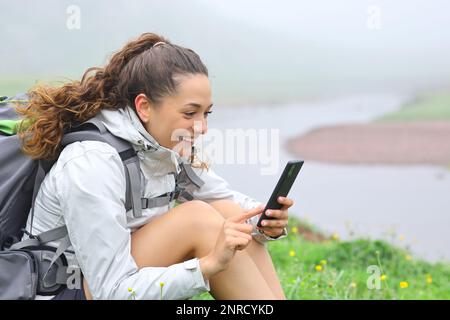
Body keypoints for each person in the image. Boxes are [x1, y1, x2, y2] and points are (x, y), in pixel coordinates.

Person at [17, 32, 294, 300]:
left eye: (206, 113)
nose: (203, 127)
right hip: (62, 290)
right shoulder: (92, 162)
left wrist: (263, 223)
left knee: (233, 217)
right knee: (197, 220)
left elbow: (223, 199)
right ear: (145, 107)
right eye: (190, 113)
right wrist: (207, 266)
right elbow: (110, 291)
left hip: (106, 284)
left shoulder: (166, 149)